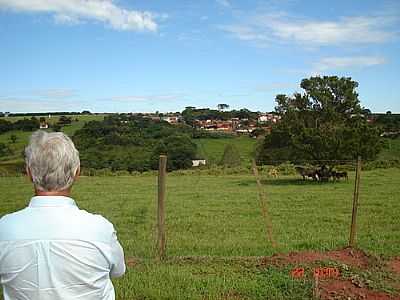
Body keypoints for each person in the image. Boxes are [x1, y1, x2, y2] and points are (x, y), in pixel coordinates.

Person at [0, 131, 125, 300]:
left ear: (29, 173)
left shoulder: (4, 228)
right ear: (76, 172)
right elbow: (118, 271)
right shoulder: (101, 229)